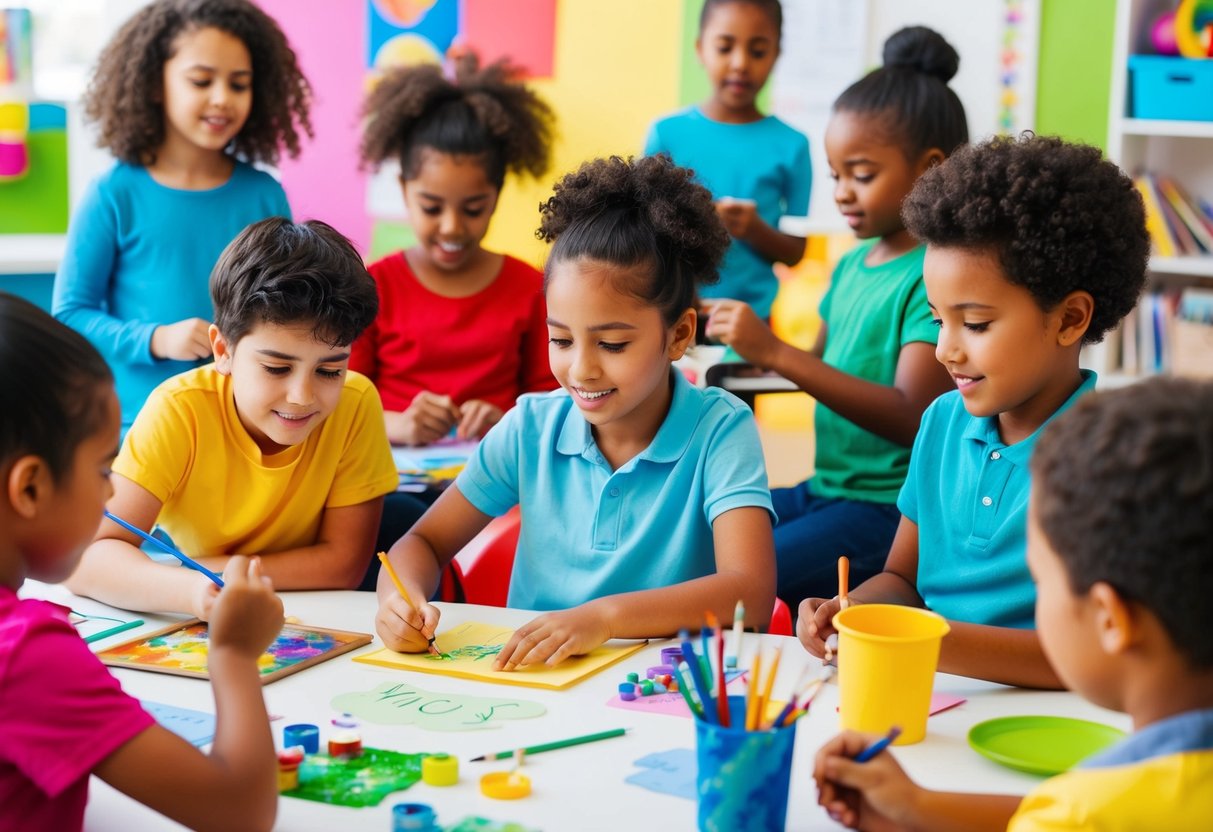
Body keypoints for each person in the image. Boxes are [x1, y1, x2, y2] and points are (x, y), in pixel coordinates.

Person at [375, 155, 777, 668]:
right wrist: (398, 601)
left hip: (659, 692)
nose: (581, 370)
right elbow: (424, 543)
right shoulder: (529, 427)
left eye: (611, 344)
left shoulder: (722, 428)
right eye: (560, 339)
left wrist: (602, 619)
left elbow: (750, 593)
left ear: (678, 335)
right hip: (533, 689)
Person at [799, 134, 1148, 688]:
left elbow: (1095, 656)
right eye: (939, 321)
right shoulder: (941, 421)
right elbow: (901, 579)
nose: (945, 350)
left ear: (1070, 319)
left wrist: (926, 638)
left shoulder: (1111, 459)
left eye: (977, 324)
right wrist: (854, 610)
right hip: (928, 695)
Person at [813, 377, 1213, 831]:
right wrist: (919, 807)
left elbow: (1075, 816)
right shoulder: (1113, 802)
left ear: (1110, 618)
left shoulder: (1085, 813)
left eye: (1042, 581)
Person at [0, 293, 284, 832]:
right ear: (31, 487)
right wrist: (233, 654)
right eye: (105, 469)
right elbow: (239, 813)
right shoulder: (27, 655)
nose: (111, 494)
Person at [705, 27, 965, 606]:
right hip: (827, 488)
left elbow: (909, 415)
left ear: (929, 169)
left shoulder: (936, 274)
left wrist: (773, 349)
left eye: (863, 175)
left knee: (744, 579)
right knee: (704, 542)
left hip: (885, 512)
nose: (844, 193)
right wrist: (723, 371)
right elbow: (812, 369)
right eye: (836, 175)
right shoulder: (851, 266)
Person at [66, 218, 401, 617]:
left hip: (327, 613)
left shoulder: (356, 401)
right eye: (276, 368)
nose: (302, 397)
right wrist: (197, 592)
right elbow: (86, 557)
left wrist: (214, 573)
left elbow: (344, 565)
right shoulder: (180, 408)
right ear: (222, 350)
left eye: (330, 371)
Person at [53, 0, 311, 430]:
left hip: (241, 425)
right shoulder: (114, 194)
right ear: (155, 84)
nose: (221, 98)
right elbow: (71, 311)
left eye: (239, 84)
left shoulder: (265, 195)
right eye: (201, 80)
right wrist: (154, 338)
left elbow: (285, 311)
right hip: (143, 427)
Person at [351, 53, 558, 447]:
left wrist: (507, 422)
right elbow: (342, 398)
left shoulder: (531, 289)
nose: (452, 226)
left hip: (498, 483)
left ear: (496, 197)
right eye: (431, 207)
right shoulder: (373, 285)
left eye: (473, 209)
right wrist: (397, 425)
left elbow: (552, 405)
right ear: (403, 190)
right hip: (392, 476)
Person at [644, 0, 809, 321]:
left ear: (776, 54)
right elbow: (644, 232)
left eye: (758, 51)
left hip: (753, 322)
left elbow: (795, 253)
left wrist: (754, 229)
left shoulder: (793, 146)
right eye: (724, 47)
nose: (740, 63)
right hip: (672, 315)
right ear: (700, 49)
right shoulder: (666, 134)